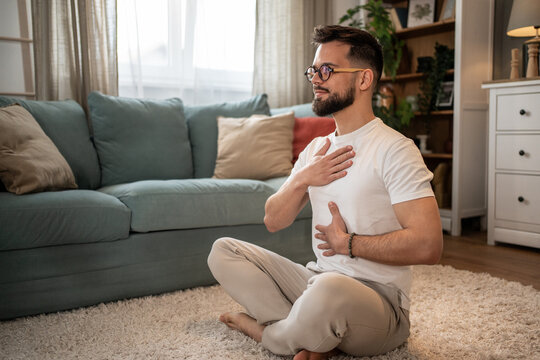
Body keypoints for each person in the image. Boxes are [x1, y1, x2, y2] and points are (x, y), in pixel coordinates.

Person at [207, 25, 443, 360]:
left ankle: (266, 333)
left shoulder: (395, 150)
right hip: (316, 282)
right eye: (313, 71)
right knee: (223, 251)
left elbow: (429, 245)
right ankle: (315, 336)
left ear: (364, 79)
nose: (316, 79)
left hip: (380, 303)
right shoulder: (317, 148)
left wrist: (348, 244)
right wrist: (303, 178)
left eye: (327, 70)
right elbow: (273, 220)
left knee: (330, 291)